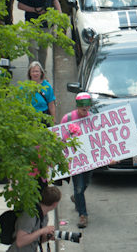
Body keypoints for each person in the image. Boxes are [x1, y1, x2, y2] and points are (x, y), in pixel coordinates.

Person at [59, 92, 94, 228]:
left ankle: (77, 198)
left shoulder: (93, 119)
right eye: (82, 107)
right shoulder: (67, 118)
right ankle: (83, 215)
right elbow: (60, 138)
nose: (85, 110)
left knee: (85, 183)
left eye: (87, 107)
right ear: (77, 106)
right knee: (79, 187)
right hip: (74, 160)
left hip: (89, 159)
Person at [16, 0, 62, 66]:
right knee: (32, 47)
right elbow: (20, 5)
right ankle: (33, 70)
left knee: (43, 50)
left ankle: (42, 72)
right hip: (32, 23)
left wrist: (59, 16)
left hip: (46, 23)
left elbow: (55, 1)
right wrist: (34, 10)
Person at [6, 186, 61, 252]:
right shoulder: (30, 215)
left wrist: (47, 237)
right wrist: (42, 231)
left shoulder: (44, 216)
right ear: (55, 204)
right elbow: (20, 242)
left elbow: (35, 239)